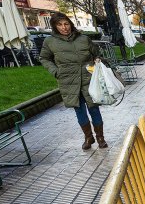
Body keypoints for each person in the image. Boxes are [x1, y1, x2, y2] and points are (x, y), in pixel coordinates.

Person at [39, 12, 108, 150]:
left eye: (66, 23)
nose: (64, 27)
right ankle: (89, 137)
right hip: (68, 80)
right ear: (54, 26)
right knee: (79, 110)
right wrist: (55, 71)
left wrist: (97, 60)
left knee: (94, 109)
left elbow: (96, 54)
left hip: (88, 79)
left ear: (70, 24)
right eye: (60, 24)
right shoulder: (50, 42)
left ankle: (100, 137)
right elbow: (44, 58)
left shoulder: (83, 39)